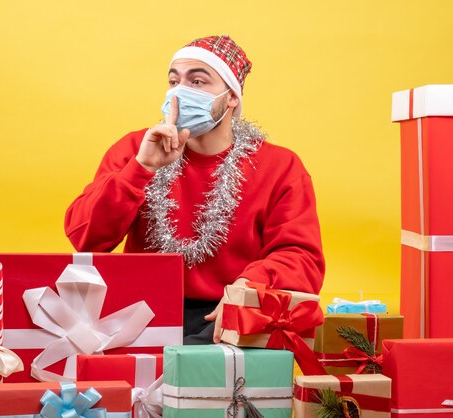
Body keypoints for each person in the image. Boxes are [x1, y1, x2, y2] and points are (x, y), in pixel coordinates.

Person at [65, 35, 325, 344]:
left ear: (231, 98)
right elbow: (85, 237)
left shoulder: (280, 166)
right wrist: (142, 169)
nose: (180, 92)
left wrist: (250, 286)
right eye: (174, 81)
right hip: (137, 313)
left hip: (226, 314)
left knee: (204, 370)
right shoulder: (136, 149)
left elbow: (302, 258)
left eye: (198, 82)